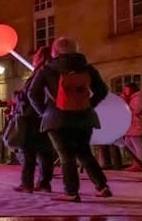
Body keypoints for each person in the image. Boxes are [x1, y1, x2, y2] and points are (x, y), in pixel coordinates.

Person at [28, 37, 112, 202]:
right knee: (84, 152)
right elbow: (102, 90)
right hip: (84, 117)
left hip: (57, 118)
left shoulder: (47, 69)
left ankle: (71, 191)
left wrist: (44, 111)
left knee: (66, 155)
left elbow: (32, 93)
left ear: (55, 51)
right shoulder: (87, 68)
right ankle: (102, 186)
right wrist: (88, 105)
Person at [13, 46, 56, 193]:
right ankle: (44, 182)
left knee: (28, 151)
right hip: (48, 116)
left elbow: (30, 95)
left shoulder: (39, 73)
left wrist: (19, 97)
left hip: (33, 116)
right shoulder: (56, 73)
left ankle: (27, 183)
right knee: (45, 151)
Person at [122, 82, 142, 172]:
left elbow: (137, 110)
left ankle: (139, 164)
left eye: (126, 89)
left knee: (137, 145)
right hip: (131, 124)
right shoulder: (133, 98)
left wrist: (126, 103)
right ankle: (136, 163)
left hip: (136, 124)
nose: (125, 91)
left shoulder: (139, 97)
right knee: (128, 144)